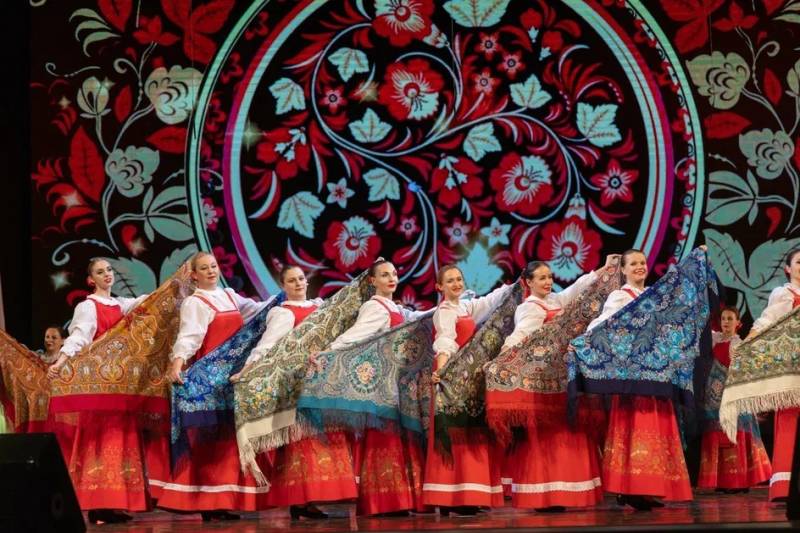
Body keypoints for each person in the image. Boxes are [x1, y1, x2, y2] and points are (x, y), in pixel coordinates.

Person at [232, 264, 358, 520]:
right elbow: (267, 345)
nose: (299, 283)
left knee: (324, 437)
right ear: (283, 286)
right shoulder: (283, 313)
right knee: (303, 441)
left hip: (322, 382)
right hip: (298, 384)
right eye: (292, 280)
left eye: (301, 278)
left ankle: (313, 499)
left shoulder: (320, 307)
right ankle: (301, 499)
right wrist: (247, 369)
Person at [158, 252, 270, 520]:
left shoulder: (230, 295)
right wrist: (177, 362)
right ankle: (208, 503)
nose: (211, 271)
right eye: (204, 268)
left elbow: (258, 310)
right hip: (209, 380)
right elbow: (190, 336)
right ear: (194, 275)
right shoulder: (195, 302)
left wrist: (287, 300)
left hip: (231, 379)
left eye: (213, 266)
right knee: (212, 440)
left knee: (230, 439)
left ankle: (224, 501)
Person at [500, 257, 617, 511]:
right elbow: (521, 335)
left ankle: (566, 492)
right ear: (529, 282)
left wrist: (604, 269)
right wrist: (504, 356)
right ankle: (546, 495)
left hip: (561, 379)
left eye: (550, 277)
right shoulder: (529, 308)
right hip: (543, 381)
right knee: (549, 436)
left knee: (568, 430)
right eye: (541, 278)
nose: (548, 281)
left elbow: (577, 288)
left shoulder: (554, 300)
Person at [584, 249, 693, 510]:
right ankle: (630, 489)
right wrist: (585, 341)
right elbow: (601, 324)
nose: (640, 267)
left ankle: (649, 488)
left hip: (657, 375)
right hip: (632, 378)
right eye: (633, 263)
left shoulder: (654, 295)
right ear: (623, 270)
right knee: (636, 427)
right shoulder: (620, 296)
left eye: (642, 262)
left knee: (657, 426)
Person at [47, 257, 150, 524]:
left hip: (119, 384)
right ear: (91, 280)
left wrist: (178, 285)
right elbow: (79, 336)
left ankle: (115, 503)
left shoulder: (120, 304)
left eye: (109, 270)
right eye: (100, 272)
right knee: (101, 440)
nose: (107, 275)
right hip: (99, 386)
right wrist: (60, 361)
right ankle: (98, 504)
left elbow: (148, 302)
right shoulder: (88, 306)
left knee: (121, 439)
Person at [325, 259, 430, 516]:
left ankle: (402, 499)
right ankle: (385, 501)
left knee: (400, 436)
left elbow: (418, 317)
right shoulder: (374, 307)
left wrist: (452, 304)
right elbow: (356, 335)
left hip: (396, 382)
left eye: (394, 274)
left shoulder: (394, 307)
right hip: (383, 383)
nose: (392, 279)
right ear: (372, 281)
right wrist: (328, 352)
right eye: (384, 275)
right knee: (385, 437)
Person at [423, 264, 512, 514]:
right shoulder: (444, 311)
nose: (456, 284)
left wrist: (517, 284)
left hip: (468, 375)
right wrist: (442, 372)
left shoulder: (465, 306)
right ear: (439, 287)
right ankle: (453, 498)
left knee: (472, 431)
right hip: (451, 374)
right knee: (455, 432)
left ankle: (471, 494)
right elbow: (445, 340)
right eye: (450, 281)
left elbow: (490, 301)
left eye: (459, 279)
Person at [697, 306, 772, 492]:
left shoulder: (738, 345)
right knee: (717, 435)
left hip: (733, 398)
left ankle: (738, 482)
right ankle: (721, 482)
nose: (726, 322)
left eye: (730, 319)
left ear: (738, 323)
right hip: (713, 400)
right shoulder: (715, 339)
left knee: (734, 436)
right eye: (723, 318)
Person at [748, 248, 800, 501]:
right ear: (788, 269)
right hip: (792, 366)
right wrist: (750, 339)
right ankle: (785, 486)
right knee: (790, 420)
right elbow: (767, 321)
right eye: (799, 262)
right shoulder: (783, 293)